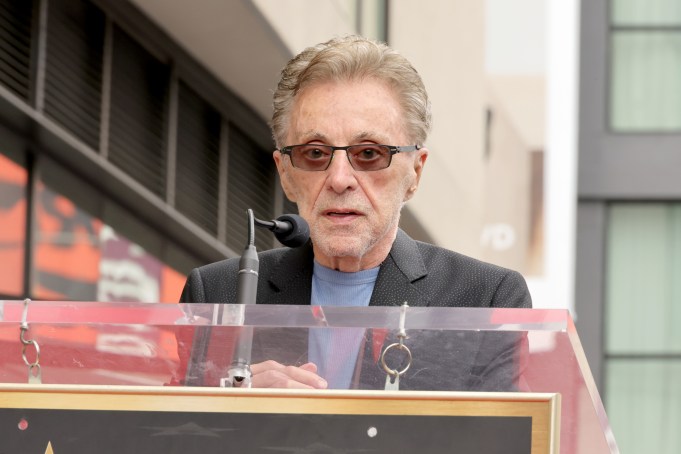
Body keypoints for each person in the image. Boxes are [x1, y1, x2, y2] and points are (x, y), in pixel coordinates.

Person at [180, 35, 532, 390]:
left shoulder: (485, 300)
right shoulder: (219, 292)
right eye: (315, 153)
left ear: (415, 172)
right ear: (285, 174)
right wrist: (231, 409)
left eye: (368, 154)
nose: (339, 179)